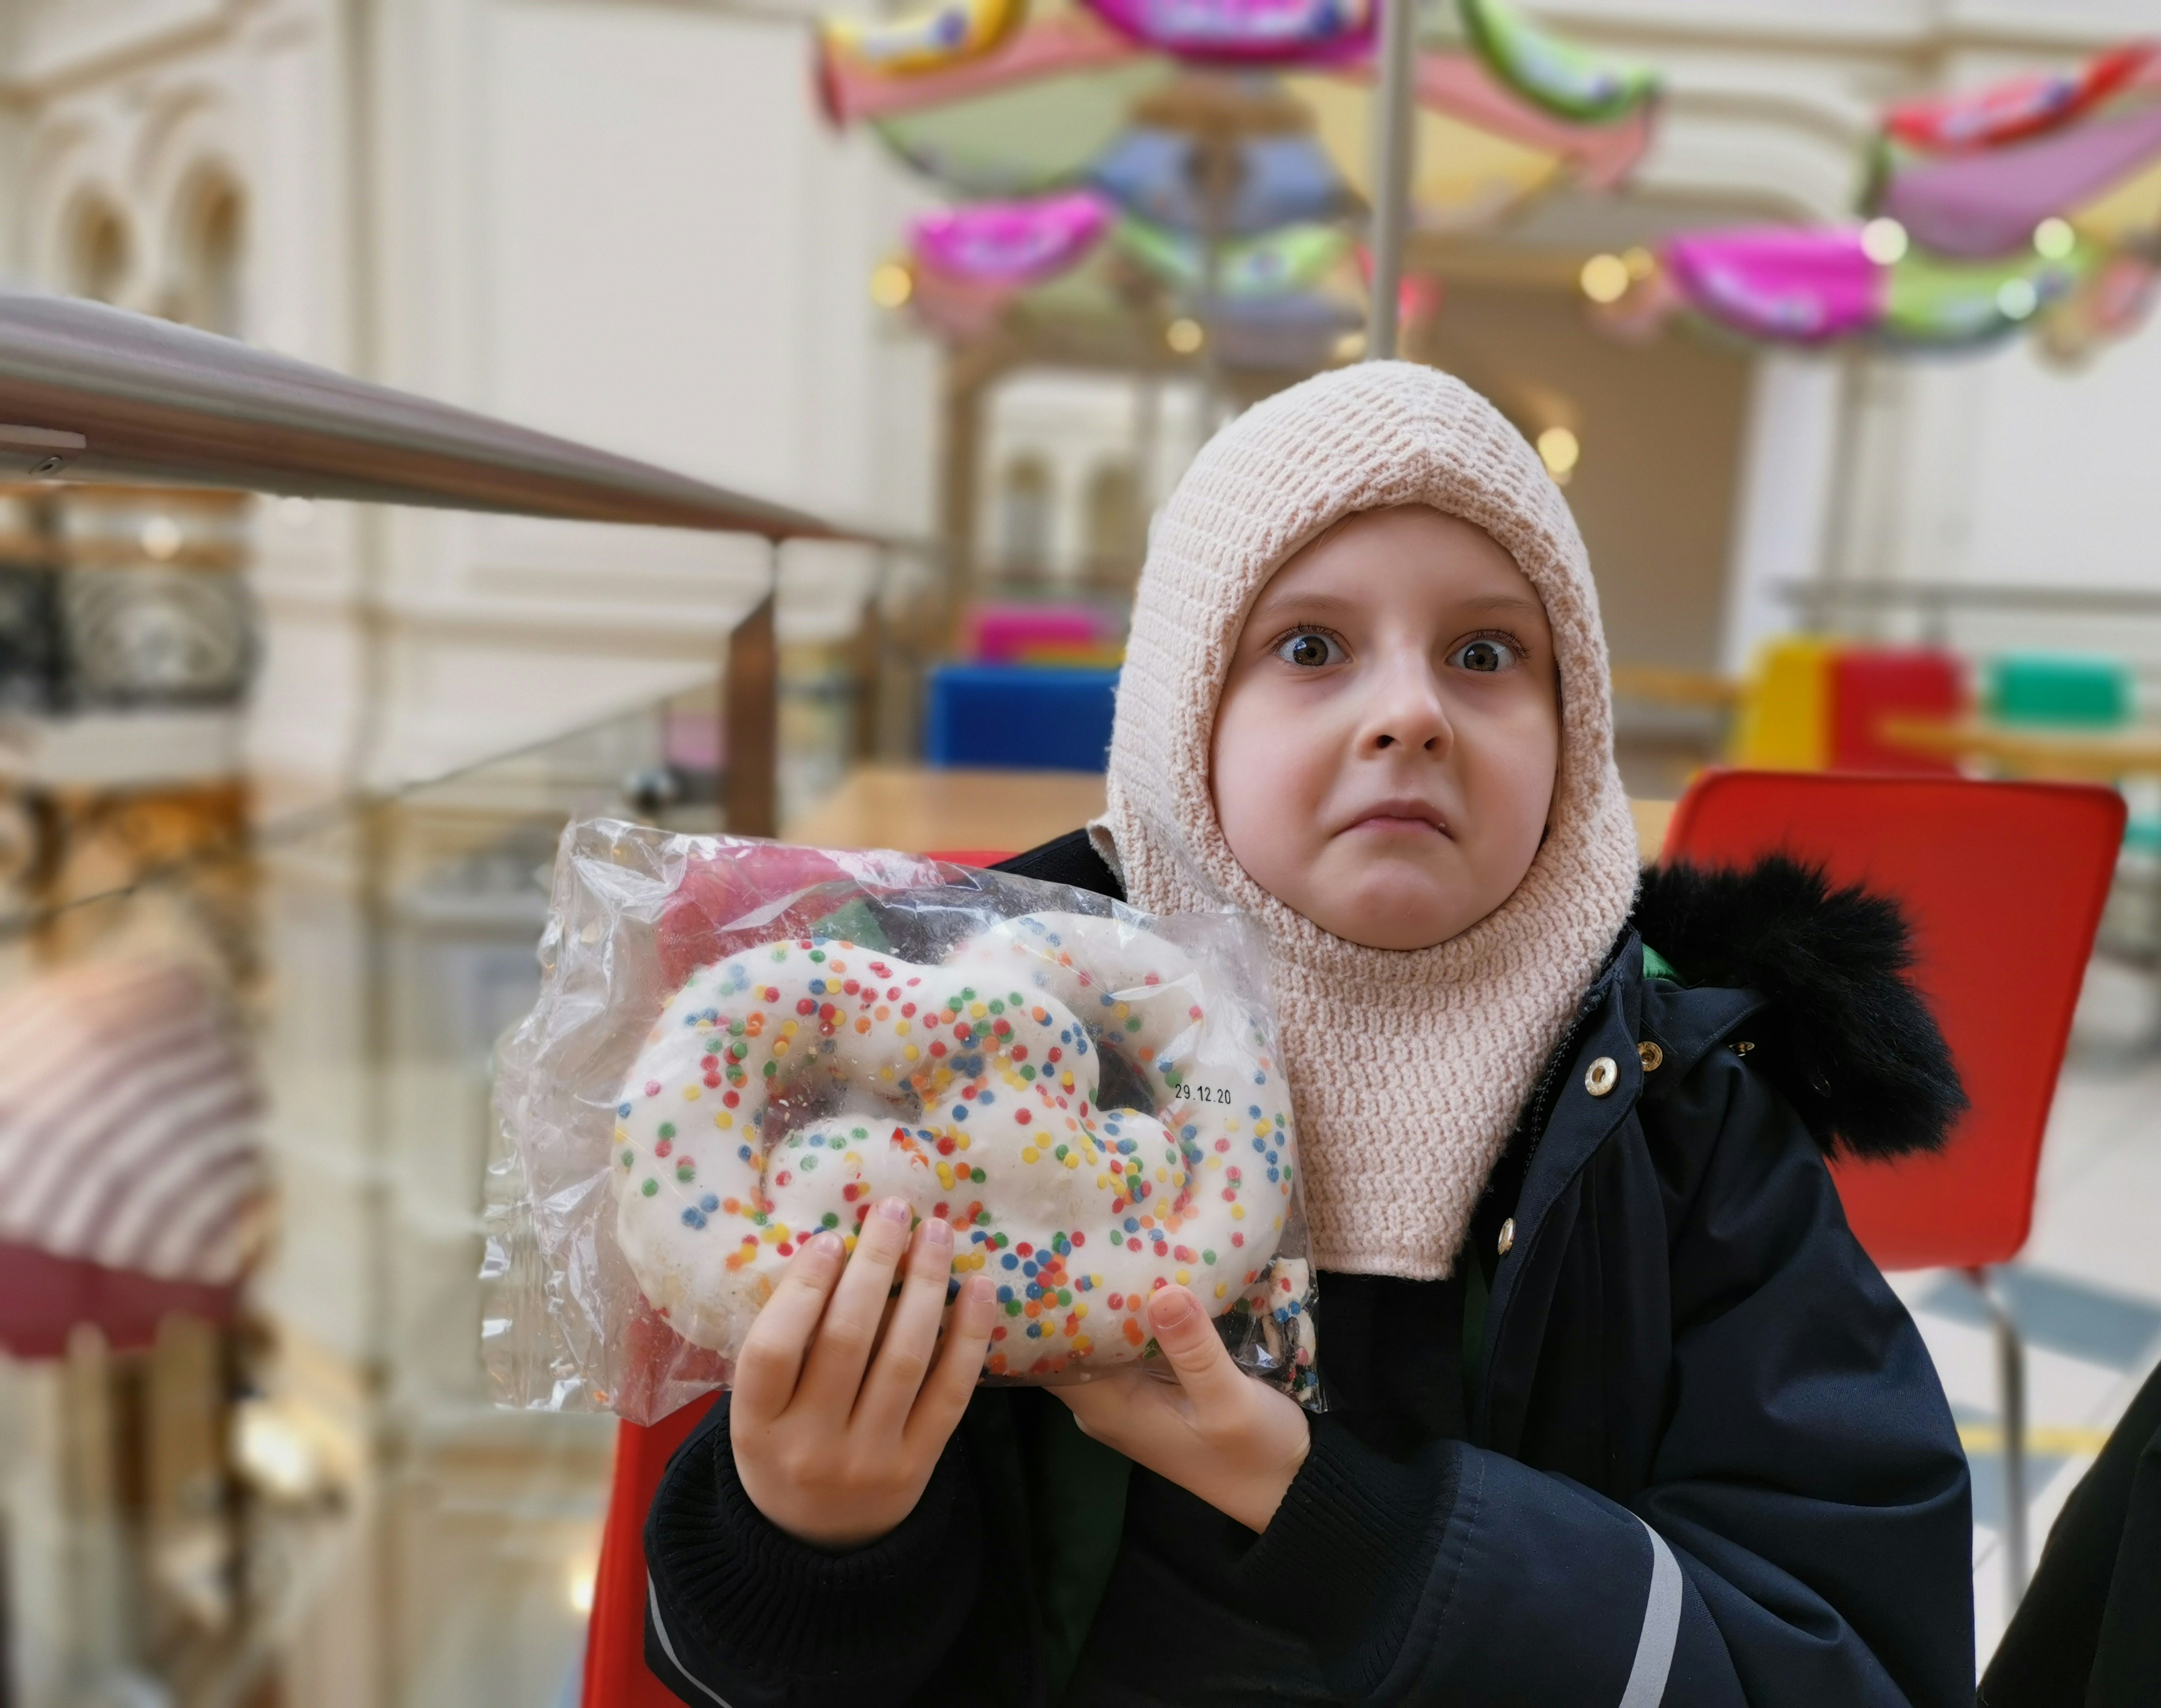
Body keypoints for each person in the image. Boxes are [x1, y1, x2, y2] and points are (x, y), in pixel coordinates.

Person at [642, 362, 1976, 1706]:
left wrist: (1349, 1525)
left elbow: (1850, 1662)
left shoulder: (1688, 1123)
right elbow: (732, 1662)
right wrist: (817, 1531)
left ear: (1577, 739)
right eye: (1311, 648)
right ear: (1185, 719)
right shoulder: (981, 1084)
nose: (1413, 712)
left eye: (1487, 653)